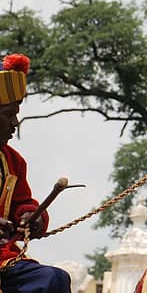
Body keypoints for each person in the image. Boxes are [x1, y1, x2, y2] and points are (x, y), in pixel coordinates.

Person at [0, 54, 72, 293]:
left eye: (16, 114)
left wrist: (32, 217)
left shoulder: (13, 161)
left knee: (53, 279)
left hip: (3, 261)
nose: (15, 123)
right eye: (8, 114)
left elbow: (22, 203)